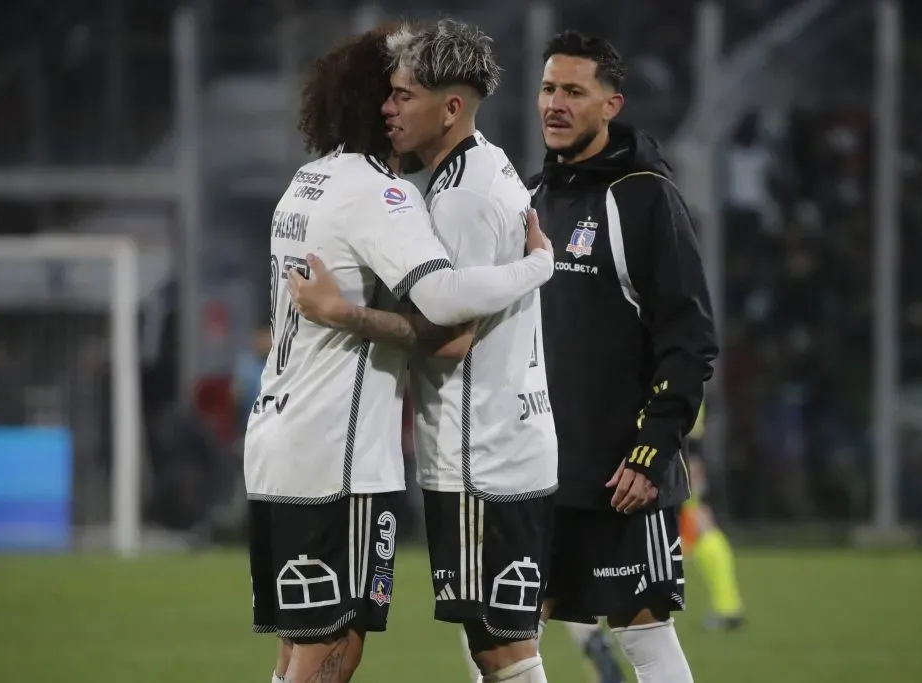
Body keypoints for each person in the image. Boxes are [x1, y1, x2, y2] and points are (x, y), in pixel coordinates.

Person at [244, 25, 554, 683]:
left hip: (278, 438)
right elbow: (447, 311)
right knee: (337, 643)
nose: (395, 109)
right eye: (390, 95)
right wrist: (538, 267)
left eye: (405, 95)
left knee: (306, 643)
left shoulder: (306, 182)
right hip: (340, 455)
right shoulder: (382, 193)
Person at [530, 30, 718, 683]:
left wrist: (652, 451)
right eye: (549, 88)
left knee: (644, 633)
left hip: (621, 478)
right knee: (499, 636)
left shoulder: (645, 198)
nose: (555, 103)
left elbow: (690, 336)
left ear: (610, 105)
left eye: (574, 91)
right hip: (535, 471)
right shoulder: (532, 199)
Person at [678, 402, 746, 631]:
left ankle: (728, 607)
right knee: (699, 525)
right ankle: (728, 606)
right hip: (685, 452)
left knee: (700, 525)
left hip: (677, 453)